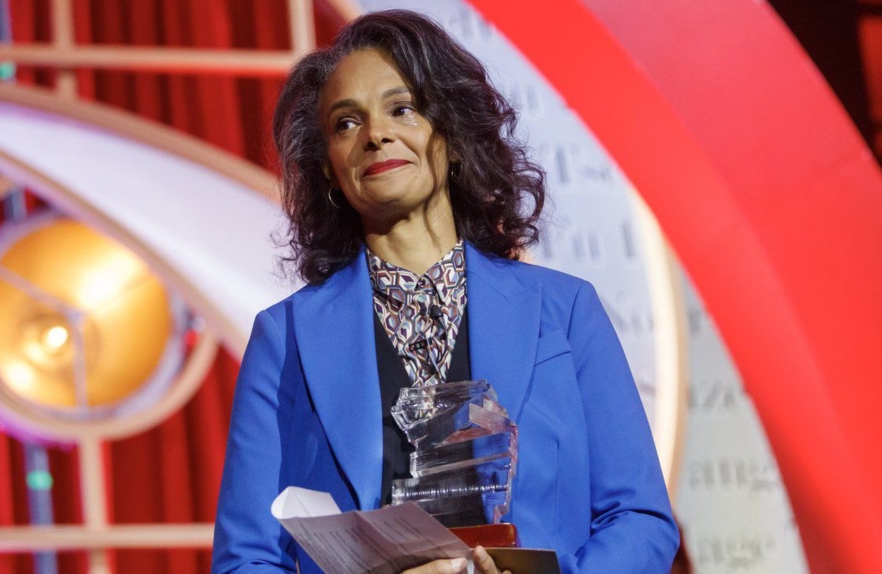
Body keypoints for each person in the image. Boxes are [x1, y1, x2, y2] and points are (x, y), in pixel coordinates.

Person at [212, 9, 678, 574]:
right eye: (345, 123)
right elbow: (246, 560)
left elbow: (639, 519)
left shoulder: (563, 311)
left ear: (453, 137)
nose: (376, 134)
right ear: (330, 171)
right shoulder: (285, 338)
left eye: (401, 108)